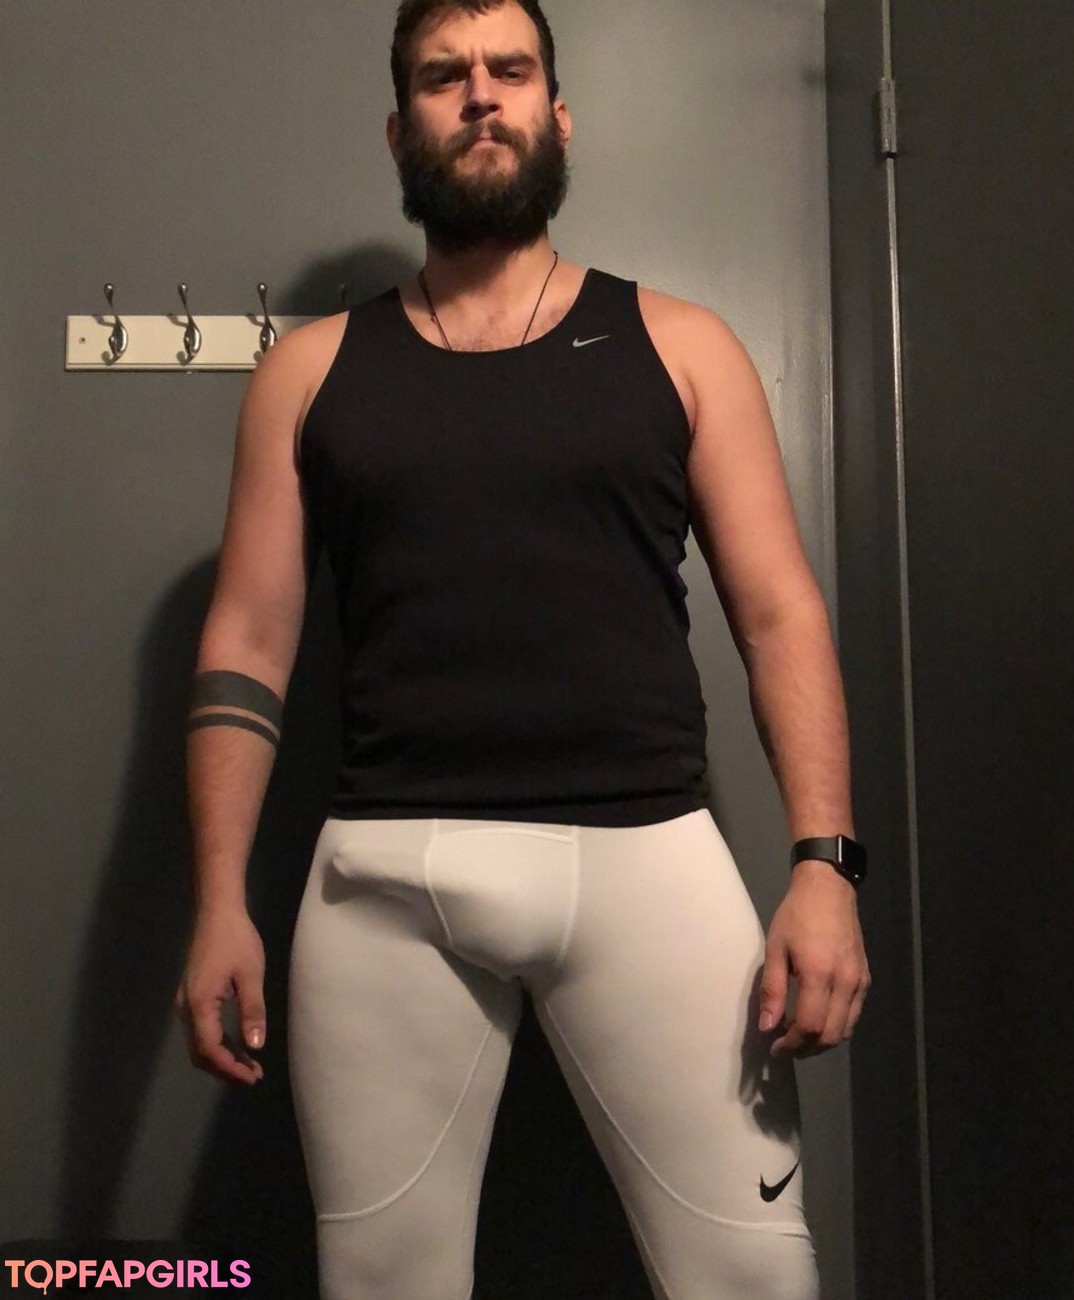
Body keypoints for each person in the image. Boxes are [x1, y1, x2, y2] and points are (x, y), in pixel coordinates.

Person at [174, 1, 871, 1296]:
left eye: (510, 69)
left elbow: (780, 613)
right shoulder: (309, 373)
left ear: (558, 113)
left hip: (648, 858)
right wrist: (219, 900)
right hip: (386, 881)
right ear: (402, 130)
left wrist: (825, 867)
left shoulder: (686, 347)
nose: (481, 94)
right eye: (445, 76)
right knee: (383, 1282)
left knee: (755, 1280)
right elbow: (249, 639)